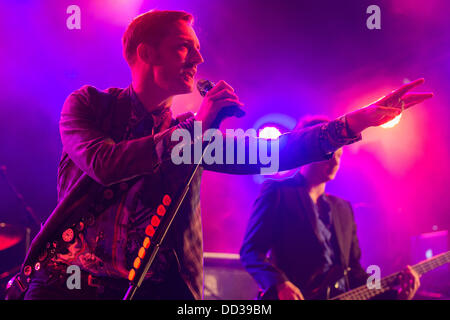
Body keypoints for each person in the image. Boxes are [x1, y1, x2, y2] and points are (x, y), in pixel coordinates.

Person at [7, 10, 431, 300]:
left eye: (197, 49)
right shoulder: (88, 105)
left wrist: (354, 123)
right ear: (146, 53)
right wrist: (198, 125)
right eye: (183, 47)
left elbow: (272, 154)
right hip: (68, 284)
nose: (199, 58)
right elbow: (104, 164)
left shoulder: (193, 133)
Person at [240, 116, 421, 300]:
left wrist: (395, 295)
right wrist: (279, 283)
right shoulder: (277, 192)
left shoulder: (343, 208)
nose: (335, 162)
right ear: (306, 152)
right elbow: (251, 252)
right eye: (329, 154)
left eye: (339, 155)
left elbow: (355, 274)